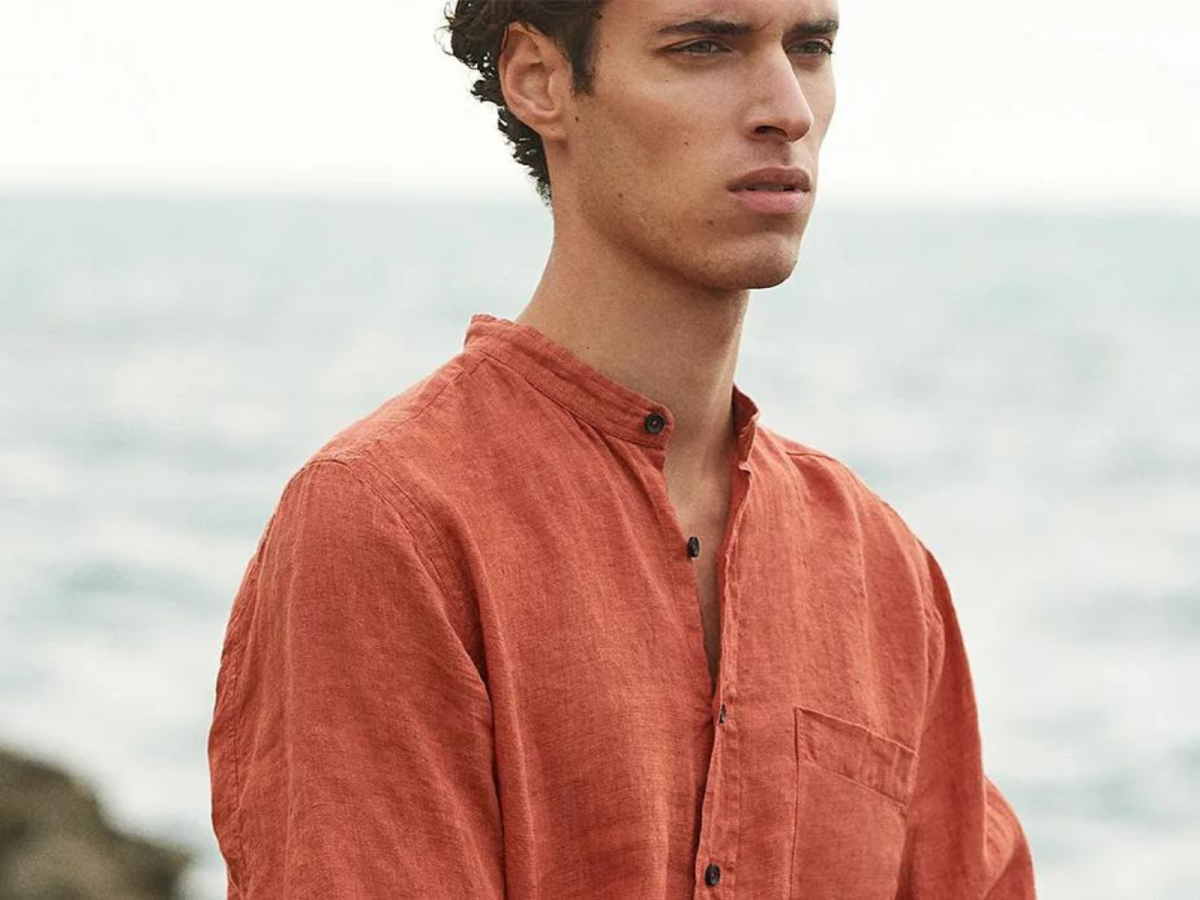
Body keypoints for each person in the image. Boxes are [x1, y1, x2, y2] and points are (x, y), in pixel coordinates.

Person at [206, 0, 1038, 897]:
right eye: (704, 46)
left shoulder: (880, 566)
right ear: (540, 79)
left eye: (810, 47)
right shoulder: (390, 523)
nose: (787, 109)